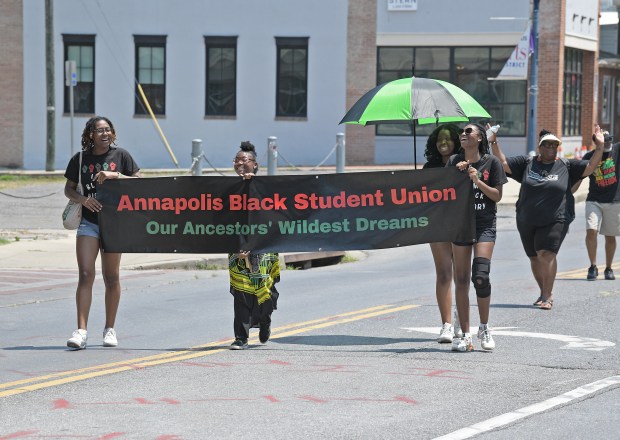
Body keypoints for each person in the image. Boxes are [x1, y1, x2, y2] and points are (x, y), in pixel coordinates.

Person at [491, 126, 604, 311]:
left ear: (558, 147)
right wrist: (493, 140)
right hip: (526, 218)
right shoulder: (527, 163)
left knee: (547, 253)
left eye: (554, 144)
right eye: (547, 144)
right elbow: (502, 162)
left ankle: (548, 296)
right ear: (540, 147)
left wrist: (599, 147)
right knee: (534, 257)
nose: (551, 147)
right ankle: (543, 292)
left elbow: (590, 167)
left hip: (556, 218)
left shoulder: (567, 166)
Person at [64, 116, 141, 350]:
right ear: (90, 135)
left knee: (112, 277)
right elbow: (68, 188)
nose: (105, 134)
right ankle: (81, 331)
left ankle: (109, 329)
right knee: (86, 274)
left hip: (114, 224)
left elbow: (139, 182)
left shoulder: (121, 156)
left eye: (108, 129)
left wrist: (113, 175)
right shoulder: (79, 159)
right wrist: (83, 200)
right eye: (99, 130)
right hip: (88, 223)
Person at [446, 123, 507, 352]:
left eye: (468, 131)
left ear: (480, 138)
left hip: (483, 224)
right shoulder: (453, 162)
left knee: (480, 276)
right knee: (460, 279)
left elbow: (497, 196)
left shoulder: (492, 163)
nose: (463, 134)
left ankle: (484, 326)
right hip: (460, 224)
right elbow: (443, 191)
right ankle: (464, 334)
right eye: (461, 132)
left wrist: (477, 180)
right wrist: (455, 174)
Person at [229, 141, 280, 350]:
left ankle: (264, 320)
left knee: (264, 289)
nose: (241, 163)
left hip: (263, 246)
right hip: (237, 246)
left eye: (245, 160)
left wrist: (252, 184)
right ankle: (241, 337)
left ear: (255, 164)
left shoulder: (265, 187)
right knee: (240, 291)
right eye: (237, 160)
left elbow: (273, 217)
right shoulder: (228, 188)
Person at [423, 124, 462, 343]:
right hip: (437, 225)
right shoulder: (429, 167)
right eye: (439, 140)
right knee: (444, 273)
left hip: (460, 225)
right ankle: (446, 324)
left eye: (448, 139)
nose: (443, 143)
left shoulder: (465, 164)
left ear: (457, 141)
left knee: (462, 276)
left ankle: (460, 317)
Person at [572, 130, 619, 281]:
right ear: (597, 141)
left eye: (609, 139)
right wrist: (569, 191)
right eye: (604, 139)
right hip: (594, 200)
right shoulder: (589, 156)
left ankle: (609, 268)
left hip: (614, 201)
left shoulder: (617, 151)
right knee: (591, 231)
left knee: (610, 236)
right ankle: (593, 266)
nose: (608, 142)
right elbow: (580, 177)